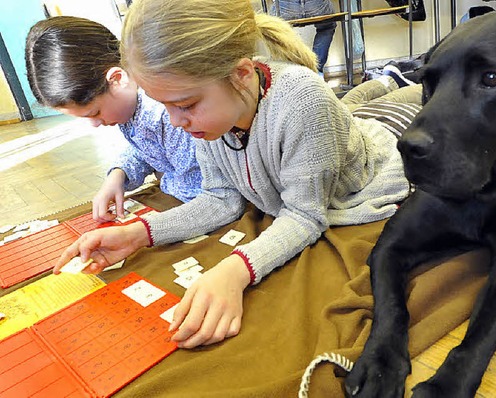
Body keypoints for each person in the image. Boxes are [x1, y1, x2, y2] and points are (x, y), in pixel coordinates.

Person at [54, 0, 417, 349]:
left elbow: (306, 215)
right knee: (357, 103)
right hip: (332, 129)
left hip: (384, 141)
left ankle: (394, 78)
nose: (175, 122)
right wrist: (136, 235)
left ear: (242, 74)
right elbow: (220, 198)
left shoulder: (305, 101)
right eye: (164, 106)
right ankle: (384, 82)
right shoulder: (208, 119)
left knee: (412, 97)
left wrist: (236, 269)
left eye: (184, 105)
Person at [25, 16, 202, 222]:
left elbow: (197, 188)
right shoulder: (130, 108)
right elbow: (150, 150)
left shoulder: (164, 112)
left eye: (94, 113)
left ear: (117, 79)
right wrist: (119, 174)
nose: (95, 124)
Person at [272, 0, 337, 73]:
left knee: (276, 31)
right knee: (327, 27)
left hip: (284, 6)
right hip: (316, 5)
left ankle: (294, 72)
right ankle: (316, 70)